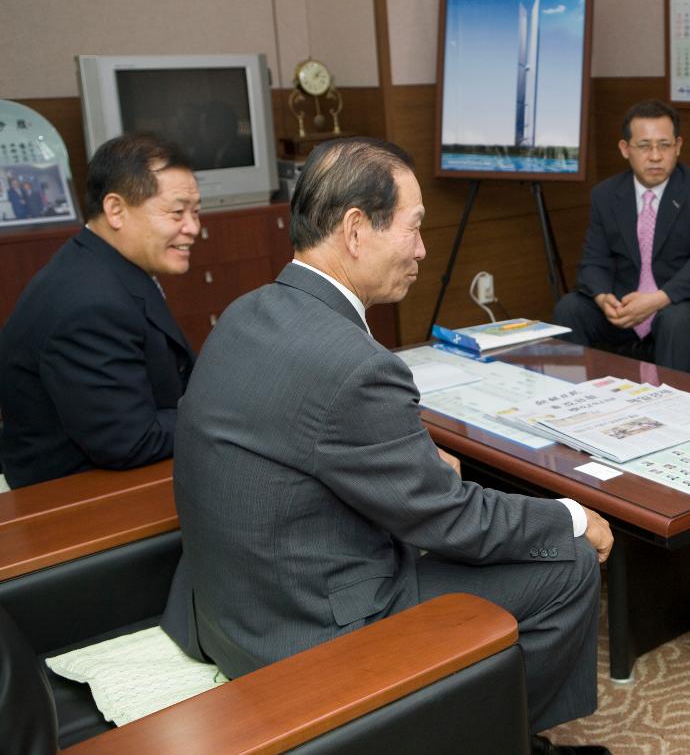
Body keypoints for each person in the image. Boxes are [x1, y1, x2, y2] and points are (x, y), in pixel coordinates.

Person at [160, 137, 612, 755]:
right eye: (414, 228)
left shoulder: (245, 312)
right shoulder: (355, 364)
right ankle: (498, 738)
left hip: (230, 611)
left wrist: (415, 460)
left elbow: (306, 440)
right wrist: (572, 515)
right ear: (354, 229)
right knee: (567, 561)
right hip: (310, 629)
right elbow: (451, 522)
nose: (424, 250)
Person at [0, 133, 198, 488]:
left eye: (195, 212)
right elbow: (131, 442)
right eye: (176, 212)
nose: (193, 228)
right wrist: (224, 414)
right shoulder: (91, 303)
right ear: (116, 210)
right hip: (72, 499)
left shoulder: (101, 264)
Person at [553, 99, 690, 374]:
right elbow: (593, 261)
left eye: (664, 145)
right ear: (625, 149)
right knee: (570, 308)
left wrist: (657, 300)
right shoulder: (606, 195)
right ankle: (577, 399)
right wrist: (604, 299)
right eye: (644, 146)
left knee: (674, 319)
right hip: (628, 301)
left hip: (686, 299)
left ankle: (673, 409)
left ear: (678, 146)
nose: (655, 156)